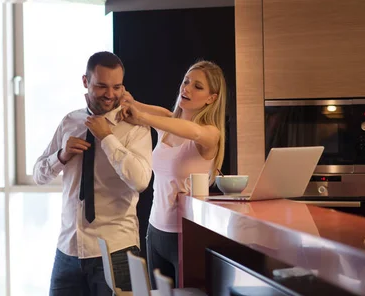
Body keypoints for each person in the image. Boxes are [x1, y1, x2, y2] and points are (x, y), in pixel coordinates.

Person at [33, 51, 153, 296]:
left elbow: (140, 181)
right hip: (68, 251)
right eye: (101, 86)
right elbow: (38, 175)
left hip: (118, 251)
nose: (110, 94)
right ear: (85, 82)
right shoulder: (70, 122)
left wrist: (107, 138)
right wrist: (61, 157)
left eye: (116, 86)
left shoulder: (135, 128)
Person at [119, 60, 226, 288]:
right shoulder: (168, 123)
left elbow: (193, 130)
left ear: (211, 98)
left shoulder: (210, 134)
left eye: (198, 86)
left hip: (185, 236)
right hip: (155, 230)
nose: (186, 88)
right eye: (186, 81)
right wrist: (129, 102)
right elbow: (153, 112)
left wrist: (141, 117)